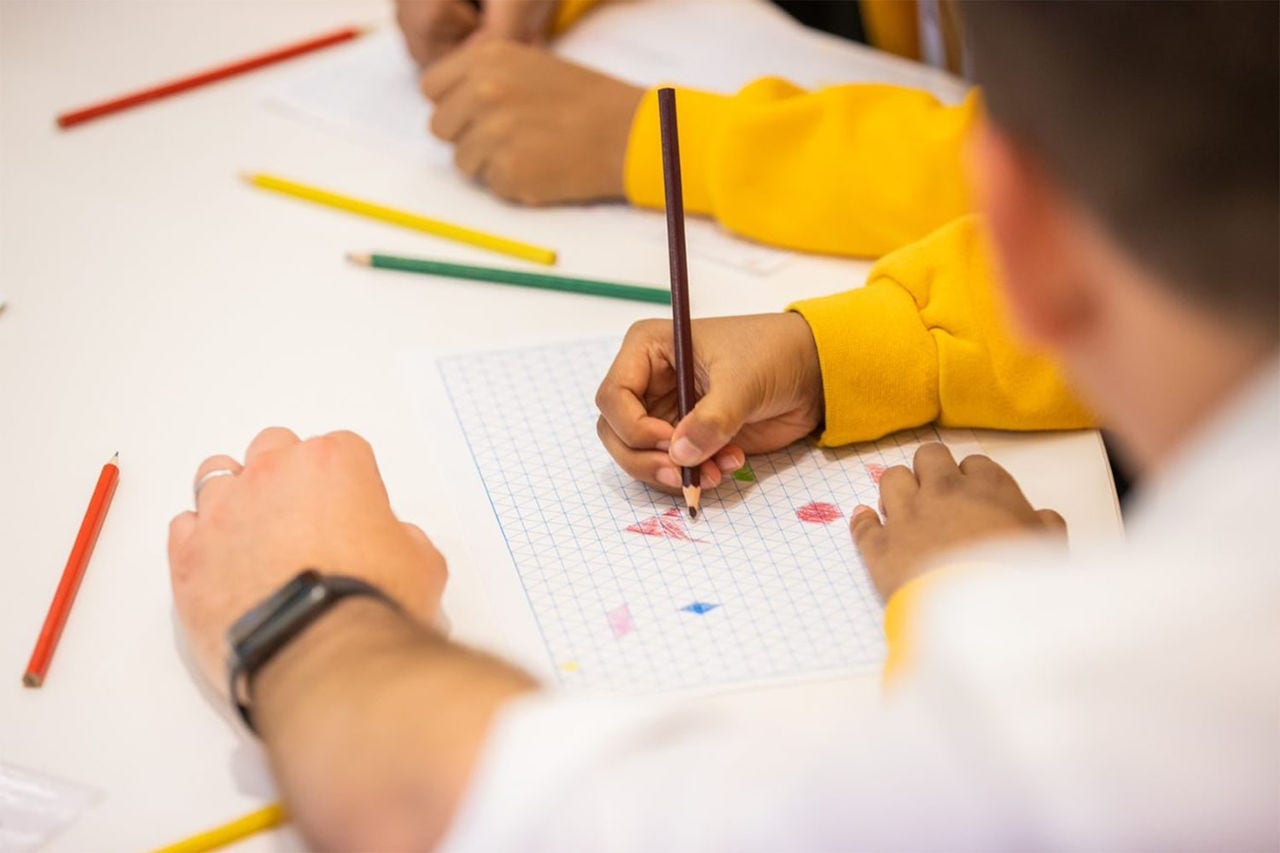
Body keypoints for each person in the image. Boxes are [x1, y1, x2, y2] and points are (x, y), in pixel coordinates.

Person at [168, 1, 1278, 849]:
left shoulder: (1142, 713)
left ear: (1010, 229)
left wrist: (306, 615)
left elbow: (519, 810)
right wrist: (843, 350)